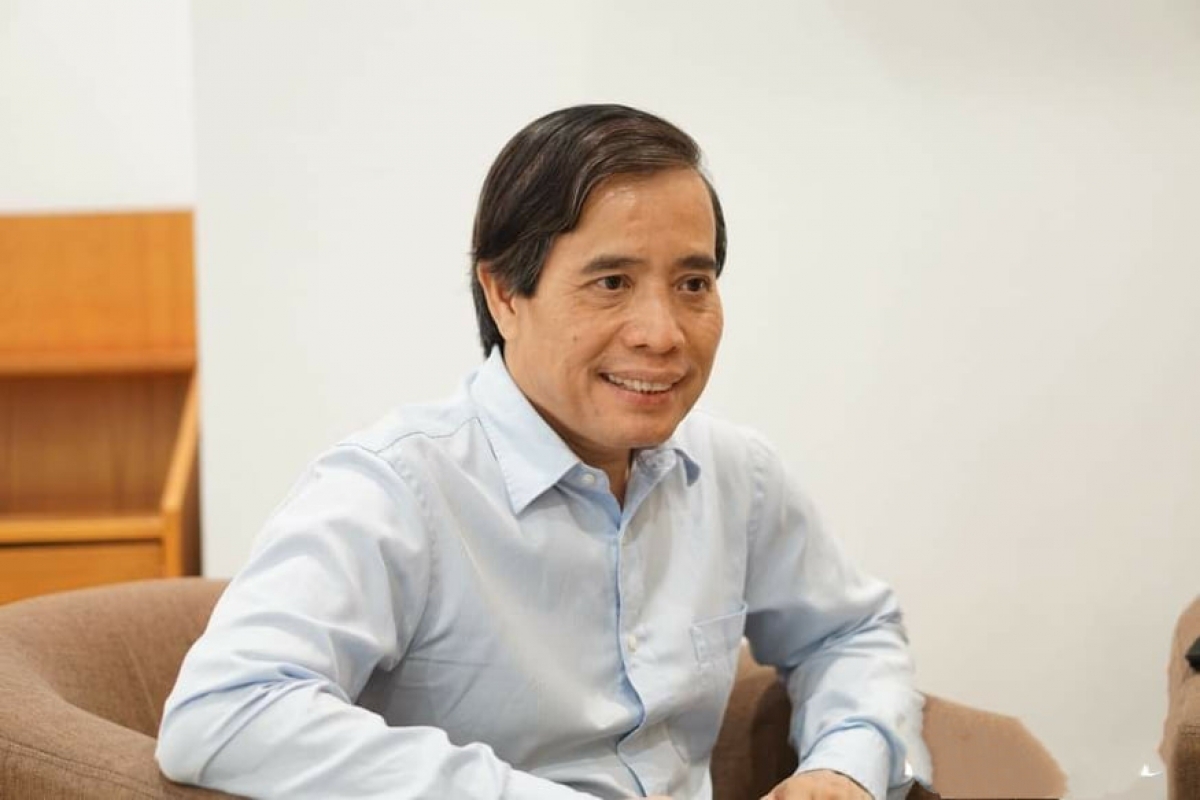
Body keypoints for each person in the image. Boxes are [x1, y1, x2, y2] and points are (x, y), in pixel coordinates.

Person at [156, 104, 931, 800]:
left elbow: (849, 633)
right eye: (612, 282)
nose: (662, 333)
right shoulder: (395, 487)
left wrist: (844, 766)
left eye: (692, 284)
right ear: (504, 294)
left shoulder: (737, 473)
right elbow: (224, 710)